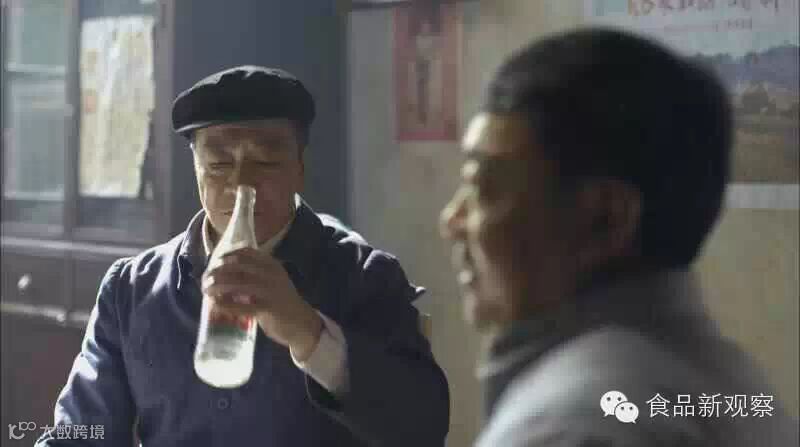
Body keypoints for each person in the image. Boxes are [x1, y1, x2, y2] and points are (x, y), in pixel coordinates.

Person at [36, 65, 450, 446]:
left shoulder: (366, 277)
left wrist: (308, 333)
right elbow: (79, 432)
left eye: (266, 161)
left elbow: (424, 428)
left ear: (300, 167)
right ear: (196, 169)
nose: (241, 185)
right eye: (218, 163)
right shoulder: (132, 288)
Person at [439, 28, 798, 446]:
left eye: (483, 187)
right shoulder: (739, 388)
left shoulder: (568, 425)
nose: (452, 220)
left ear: (605, 220)